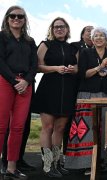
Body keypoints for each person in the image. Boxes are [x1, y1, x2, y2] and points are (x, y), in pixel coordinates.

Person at [64, 27, 107, 175]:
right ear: (92, 40)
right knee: (86, 130)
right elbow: (83, 74)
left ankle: (103, 161)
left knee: (104, 129)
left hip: (106, 94)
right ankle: (87, 164)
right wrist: (100, 66)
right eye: (96, 36)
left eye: (102, 36)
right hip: (88, 94)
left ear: (106, 40)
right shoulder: (86, 52)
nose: (99, 38)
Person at [32, 17, 78, 178]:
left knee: (60, 128)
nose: (59, 29)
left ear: (67, 29)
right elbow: (37, 67)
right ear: (52, 30)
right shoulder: (45, 45)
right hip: (49, 89)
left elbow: (79, 67)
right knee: (48, 127)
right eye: (56, 27)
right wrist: (55, 68)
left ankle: (56, 163)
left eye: (62, 26)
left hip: (67, 91)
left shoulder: (72, 47)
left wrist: (73, 69)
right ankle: (47, 165)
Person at [0, 5, 37, 180]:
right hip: (5, 82)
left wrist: (27, 81)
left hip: (25, 84)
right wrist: (15, 81)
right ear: (7, 19)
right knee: (1, 126)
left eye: (20, 16)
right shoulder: (1, 37)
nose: (16, 19)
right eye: (13, 16)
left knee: (18, 127)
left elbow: (34, 65)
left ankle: (11, 168)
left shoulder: (30, 41)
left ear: (24, 20)